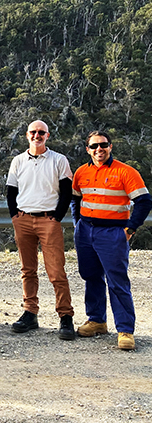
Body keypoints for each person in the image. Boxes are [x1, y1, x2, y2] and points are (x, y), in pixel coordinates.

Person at [72, 131, 152, 350]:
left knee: (117, 280)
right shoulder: (81, 172)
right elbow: (76, 199)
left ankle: (125, 329)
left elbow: (144, 201)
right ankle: (97, 320)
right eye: (94, 146)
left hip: (113, 233)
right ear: (87, 149)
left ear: (110, 146)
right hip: (86, 231)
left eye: (103, 145)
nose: (99, 149)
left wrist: (129, 230)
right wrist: (78, 224)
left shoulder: (126, 172)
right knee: (91, 276)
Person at [6, 120, 76, 340]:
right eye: (33, 132)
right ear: (27, 135)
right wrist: (15, 216)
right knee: (28, 270)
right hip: (24, 220)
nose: (37, 135)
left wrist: (57, 217)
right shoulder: (18, 161)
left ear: (47, 135)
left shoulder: (58, 160)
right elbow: (11, 190)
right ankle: (30, 312)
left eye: (41, 132)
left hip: (48, 220)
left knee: (56, 271)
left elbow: (67, 191)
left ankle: (65, 316)